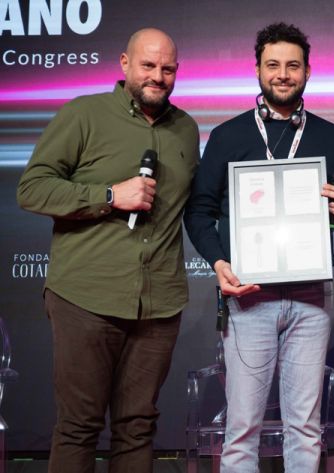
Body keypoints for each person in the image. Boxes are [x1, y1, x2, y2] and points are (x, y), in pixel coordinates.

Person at [16, 28, 199, 473]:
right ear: (124, 64)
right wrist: (111, 196)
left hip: (158, 305)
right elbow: (32, 189)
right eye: (148, 65)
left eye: (167, 68)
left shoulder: (187, 129)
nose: (158, 76)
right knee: (79, 426)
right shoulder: (84, 114)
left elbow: (198, 208)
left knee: (138, 428)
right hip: (86, 298)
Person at [183, 22, 334, 473]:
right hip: (248, 293)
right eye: (273, 64)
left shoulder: (330, 136)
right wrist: (219, 262)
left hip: (311, 295)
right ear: (257, 70)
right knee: (242, 429)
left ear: (307, 72)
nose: (283, 74)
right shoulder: (227, 136)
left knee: (305, 426)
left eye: (292, 66)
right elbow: (198, 211)